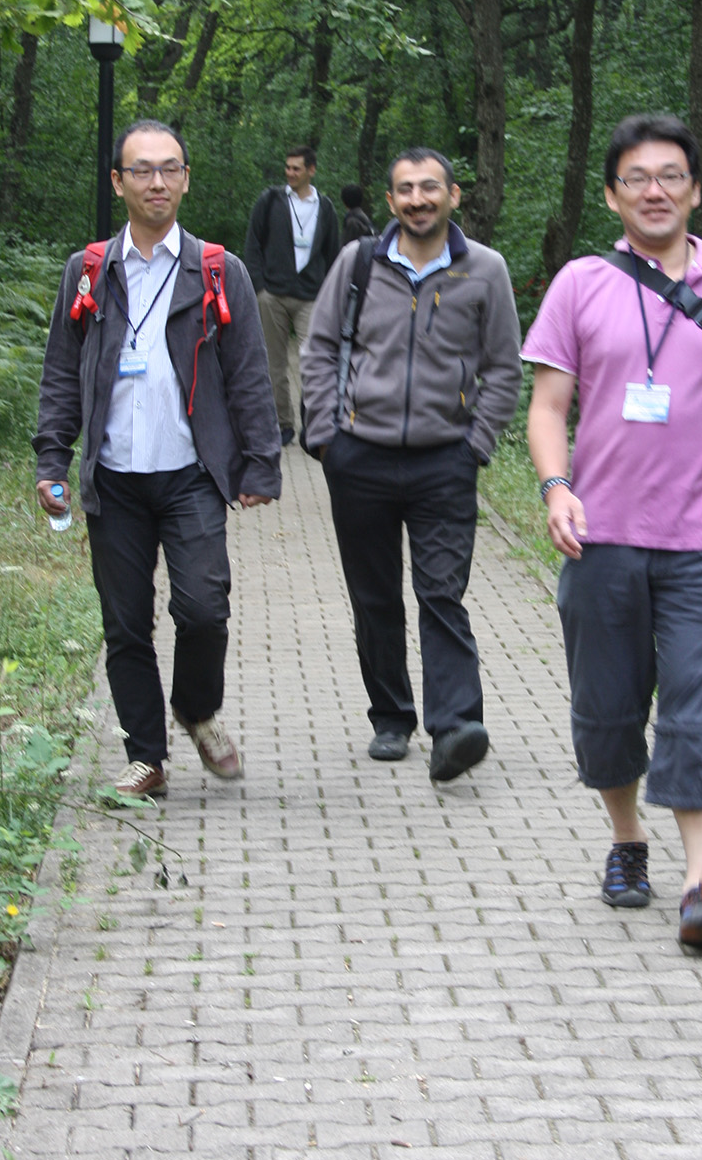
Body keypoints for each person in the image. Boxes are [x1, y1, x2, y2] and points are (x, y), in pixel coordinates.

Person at [524, 113, 702, 944]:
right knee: (606, 709)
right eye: (637, 178)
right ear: (613, 196)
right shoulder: (579, 283)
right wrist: (556, 488)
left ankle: (701, 885)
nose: (655, 191)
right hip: (600, 536)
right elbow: (548, 406)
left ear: (696, 190)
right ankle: (628, 841)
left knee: (698, 710)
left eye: (672, 176)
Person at [34, 118, 280, 802]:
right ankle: (146, 756)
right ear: (118, 182)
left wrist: (260, 463)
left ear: (186, 179)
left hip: (191, 474)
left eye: (170, 168)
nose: (157, 182)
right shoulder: (89, 271)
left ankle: (196, 709)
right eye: (141, 170)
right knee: (125, 625)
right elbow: (61, 372)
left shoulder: (217, 270)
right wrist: (52, 458)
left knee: (203, 610)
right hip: (113, 480)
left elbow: (249, 373)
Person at [301, 147, 522, 781]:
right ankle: (392, 718)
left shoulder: (485, 269)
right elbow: (319, 349)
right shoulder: (357, 262)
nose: (418, 199)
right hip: (359, 457)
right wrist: (326, 437)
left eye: (430, 187)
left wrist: (476, 444)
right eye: (405, 189)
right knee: (374, 597)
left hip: (445, 461)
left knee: (441, 592)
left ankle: (455, 727)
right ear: (391, 200)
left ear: (453, 195)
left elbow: (504, 366)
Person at [243, 145, 340, 445]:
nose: (290, 173)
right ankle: (281, 423)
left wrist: (329, 292)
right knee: (274, 363)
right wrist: (260, 288)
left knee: (314, 361)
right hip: (272, 294)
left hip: (311, 296)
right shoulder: (270, 201)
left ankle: (313, 425)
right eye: (287, 167)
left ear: (311, 170)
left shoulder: (325, 208)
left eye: (296, 168)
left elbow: (333, 254)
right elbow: (253, 244)